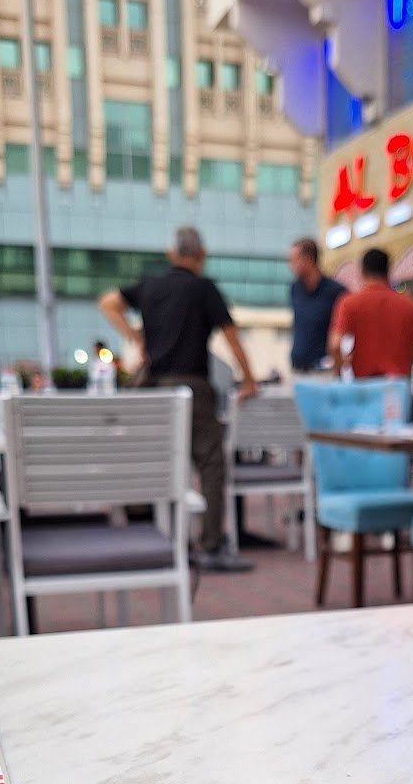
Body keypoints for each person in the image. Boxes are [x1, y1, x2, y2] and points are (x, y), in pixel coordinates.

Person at [99, 226, 258, 572]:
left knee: (155, 461)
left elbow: (108, 303)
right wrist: (249, 379)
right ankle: (211, 545)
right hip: (191, 386)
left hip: (153, 389)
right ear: (201, 255)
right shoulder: (204, 288)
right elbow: (232, 337)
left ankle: (154, 536)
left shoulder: (150, 285)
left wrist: (135, 337)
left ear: (172, 254)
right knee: (211, 464)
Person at [328, 248, 413, 410]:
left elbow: (335, 345)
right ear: (388, 272)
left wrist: (339, 375)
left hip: (365, 390)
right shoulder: (408, 305)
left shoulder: (349, 303)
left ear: (362, 272)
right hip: (399, 391)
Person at [288, 238, 345, 373]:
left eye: (294, 260)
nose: (290, 266)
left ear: (308, 259)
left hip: (324, 370)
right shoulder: (295, 289)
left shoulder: (336, 292)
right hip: (298, 368)